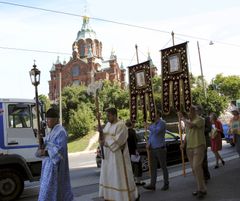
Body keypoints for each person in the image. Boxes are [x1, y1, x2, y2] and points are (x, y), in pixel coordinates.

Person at [99, 108, 139, 201]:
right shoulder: (108, 125)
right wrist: (101, 132)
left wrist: (105, 140)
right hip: (108, 157)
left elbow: (118, 141)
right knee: (110, 177)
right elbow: (103, 138)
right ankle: (111, 196)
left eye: (109, 116)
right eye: (107, 116)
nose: (107, 118)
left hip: (117, 157)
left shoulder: (121, 125)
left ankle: (122, 197)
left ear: (114, 115)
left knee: (119, 177)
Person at [36, 108, 74, 201]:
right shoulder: (51, 131)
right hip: (47, 166)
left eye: (49, 119)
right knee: (46, 192)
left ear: (56, 119)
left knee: (53, 193)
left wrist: (44, 152)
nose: (47, 121)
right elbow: (45, 145)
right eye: (46, 119)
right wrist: (40, 139)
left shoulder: (61, 131)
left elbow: (59, 151)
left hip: (55, 168)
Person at [179, 105, 207, 199]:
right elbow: (187, 134)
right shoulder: (188, 121)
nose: (188, 114)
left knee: (196, 166)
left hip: (198, 146)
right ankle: (201, 188)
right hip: (189, 147)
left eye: (189, 112)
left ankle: (201, 189)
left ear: (193, 111)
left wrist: (182, 118)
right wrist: (183, 144)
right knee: (194, 169)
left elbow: (191, 126)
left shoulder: (200, 119)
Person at [143, 110, 169, 191]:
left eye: (153, 113)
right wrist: (148, 143)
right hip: (152, 149)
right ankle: (152, 184)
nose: (152, 115)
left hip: (160, 148)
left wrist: (148, 126)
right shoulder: (153, 124)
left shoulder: (162, 122)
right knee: (153, 168)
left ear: (158, 114)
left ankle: (166, 184)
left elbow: (157, 131)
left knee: (163, 167)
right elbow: (151, 136)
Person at [125, 119, 145, 186]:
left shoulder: (125, 132)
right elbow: (134, 142)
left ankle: (132, 181)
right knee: (137, 166)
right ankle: (138, 181)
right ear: (132, 124)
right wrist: (136, 150)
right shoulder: (132, 131)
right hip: (133, 151)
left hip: (128, 152)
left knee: (131, 167)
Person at [196, 106, 211, 182]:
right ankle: (203, 175)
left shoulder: (206, 118)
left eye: (197, 110)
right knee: (199, 160)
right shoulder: (194, 119)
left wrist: (200, 129)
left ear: (200, 110)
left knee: (203, 159)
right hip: (197, 141)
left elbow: (209, 128)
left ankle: (206, 175)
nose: (196, 112)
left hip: (204, 140)